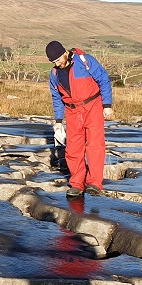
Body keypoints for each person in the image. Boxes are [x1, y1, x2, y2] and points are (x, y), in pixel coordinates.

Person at [45, 40, 113, 199]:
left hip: (93, 106)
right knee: (73, 148)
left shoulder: (85, 61)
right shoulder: (54, 74)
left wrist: (107, 105)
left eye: (58, 60)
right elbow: (56, 98)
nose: (57, 64)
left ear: (64, 53)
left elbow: (104, 79)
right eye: (53, 62)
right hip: (72, 111)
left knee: (95, 145)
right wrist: (58, 120)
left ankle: (95, 183)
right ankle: (77, 184)